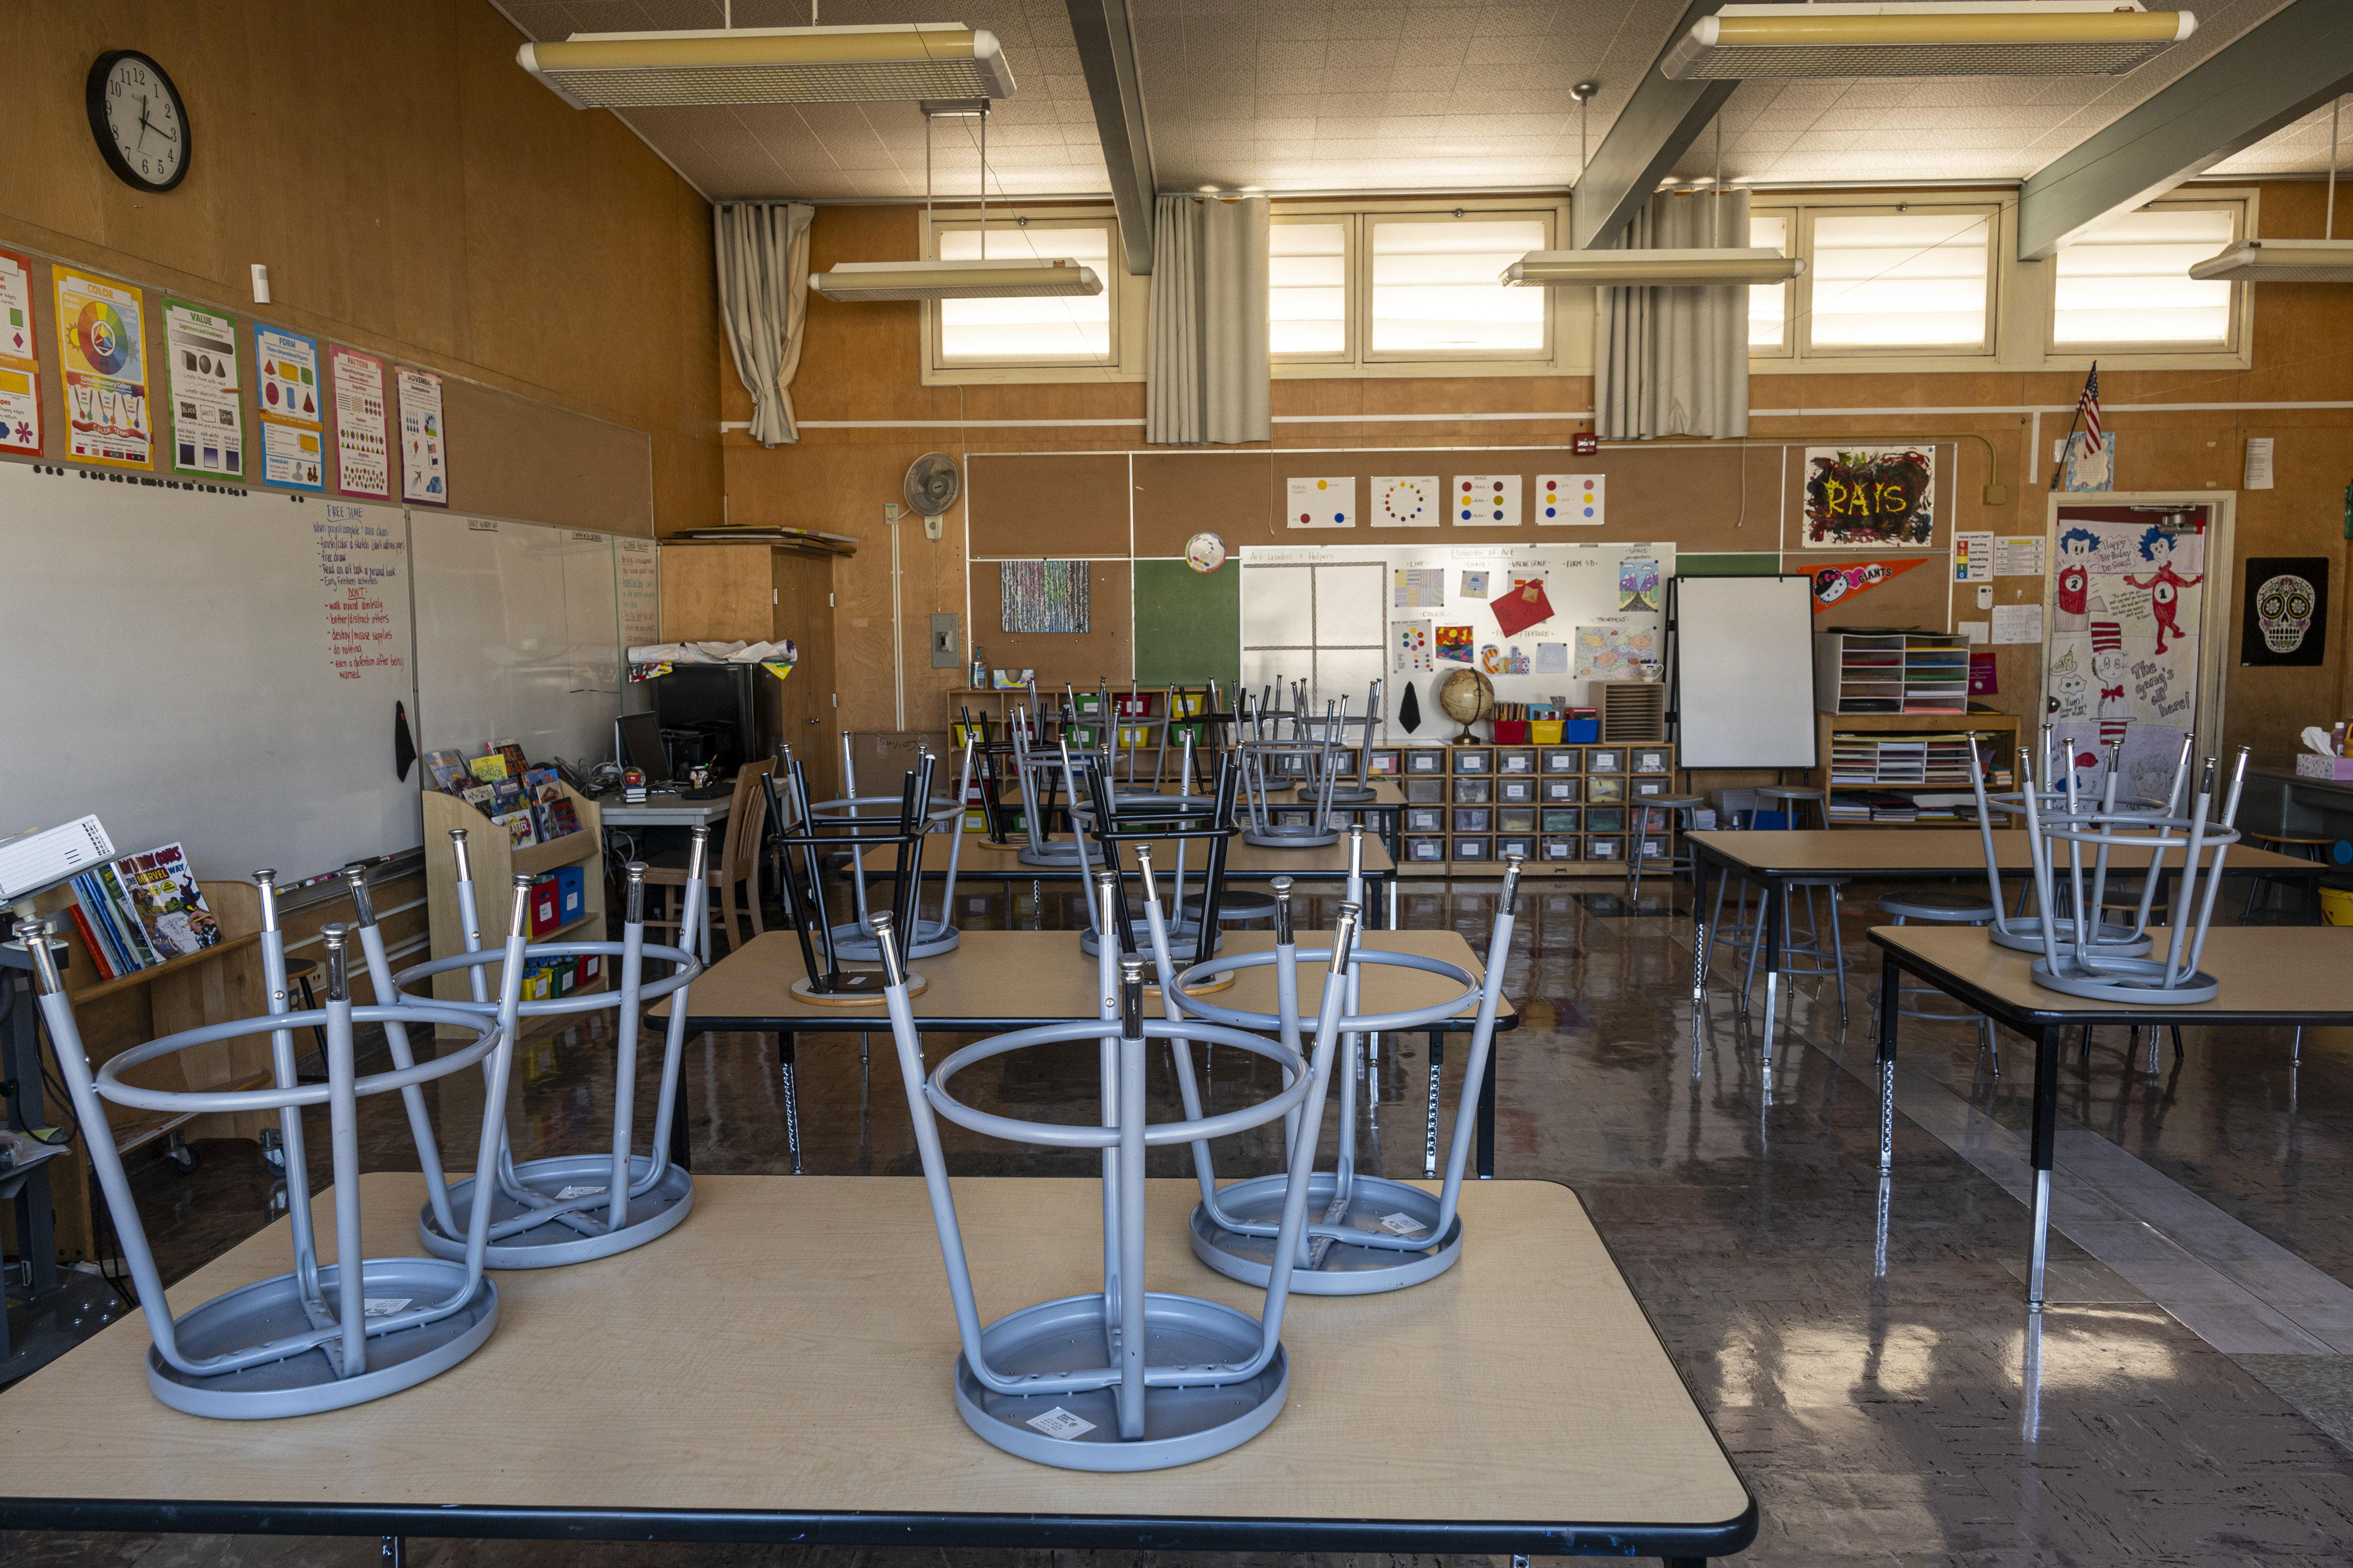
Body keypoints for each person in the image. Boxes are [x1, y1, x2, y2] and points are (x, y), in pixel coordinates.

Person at [2122, 526, 2202, 655]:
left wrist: (2195, 581)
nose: (2159, 550)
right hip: (2159, 606)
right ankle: (2169, 637)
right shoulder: (2160, 576)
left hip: (2170, 604)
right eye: (2156, 549)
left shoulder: (2169, 575)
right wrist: (2134, 582)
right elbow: (2146, 586)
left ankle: (2171, 634)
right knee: (2162, 622)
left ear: (2168, 548)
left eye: (2161, 546)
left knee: (2164, 622)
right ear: (2152, 554)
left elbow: (2185, 584)